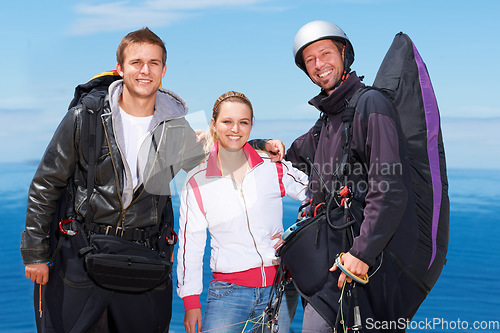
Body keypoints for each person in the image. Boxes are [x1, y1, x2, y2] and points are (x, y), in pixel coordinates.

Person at [20, 27, 207, 332]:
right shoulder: (85, 117)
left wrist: (259, 145)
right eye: (136, 62)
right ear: (120, 68)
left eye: (153, 63)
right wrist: (35, 253)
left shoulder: (177, 127)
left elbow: (211, 161)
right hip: (82, 255)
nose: (144, 71)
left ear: (163, 70)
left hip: (143, 259)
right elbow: (46, 184)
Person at [281, 20, 422, 332]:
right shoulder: (327, 121)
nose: (319, 65)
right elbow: (289, 161)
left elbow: (389, 189)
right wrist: (256, 145)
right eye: (310, 60)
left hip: (360, 263)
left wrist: (362, 253)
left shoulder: (370, 104)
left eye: (325, 53)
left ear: (344, 53)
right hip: (332, 261)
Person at [176, 91, 309, 333]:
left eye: (243, 122)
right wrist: (190, 300)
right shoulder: (196, 180)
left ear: (250, 126)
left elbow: (317, 197)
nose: (235, 129)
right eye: (227, 121)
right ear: (214, 124)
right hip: (228, 291)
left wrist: (295, 236)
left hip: (279, 288)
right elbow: (190, 244)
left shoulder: (272, 166)